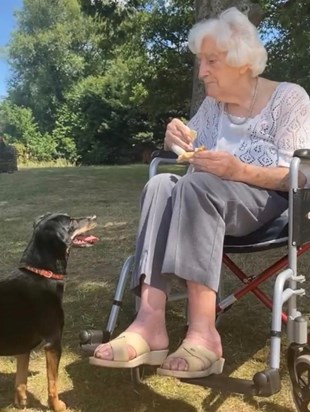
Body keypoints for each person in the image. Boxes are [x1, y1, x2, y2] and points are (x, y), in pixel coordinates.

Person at [90, 7, 310, 378]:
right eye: (200, 61)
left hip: (269, 205)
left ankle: (204, 333)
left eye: (212, 61)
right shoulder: (212, 106)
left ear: (242, 61)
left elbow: (301, 174)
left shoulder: (289, 99)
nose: (202, 71)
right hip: (203, 204)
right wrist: (176, 138)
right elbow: (191, 151)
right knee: (161, 182)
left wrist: (238, 170)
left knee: (199, 183)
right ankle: (150, 322)